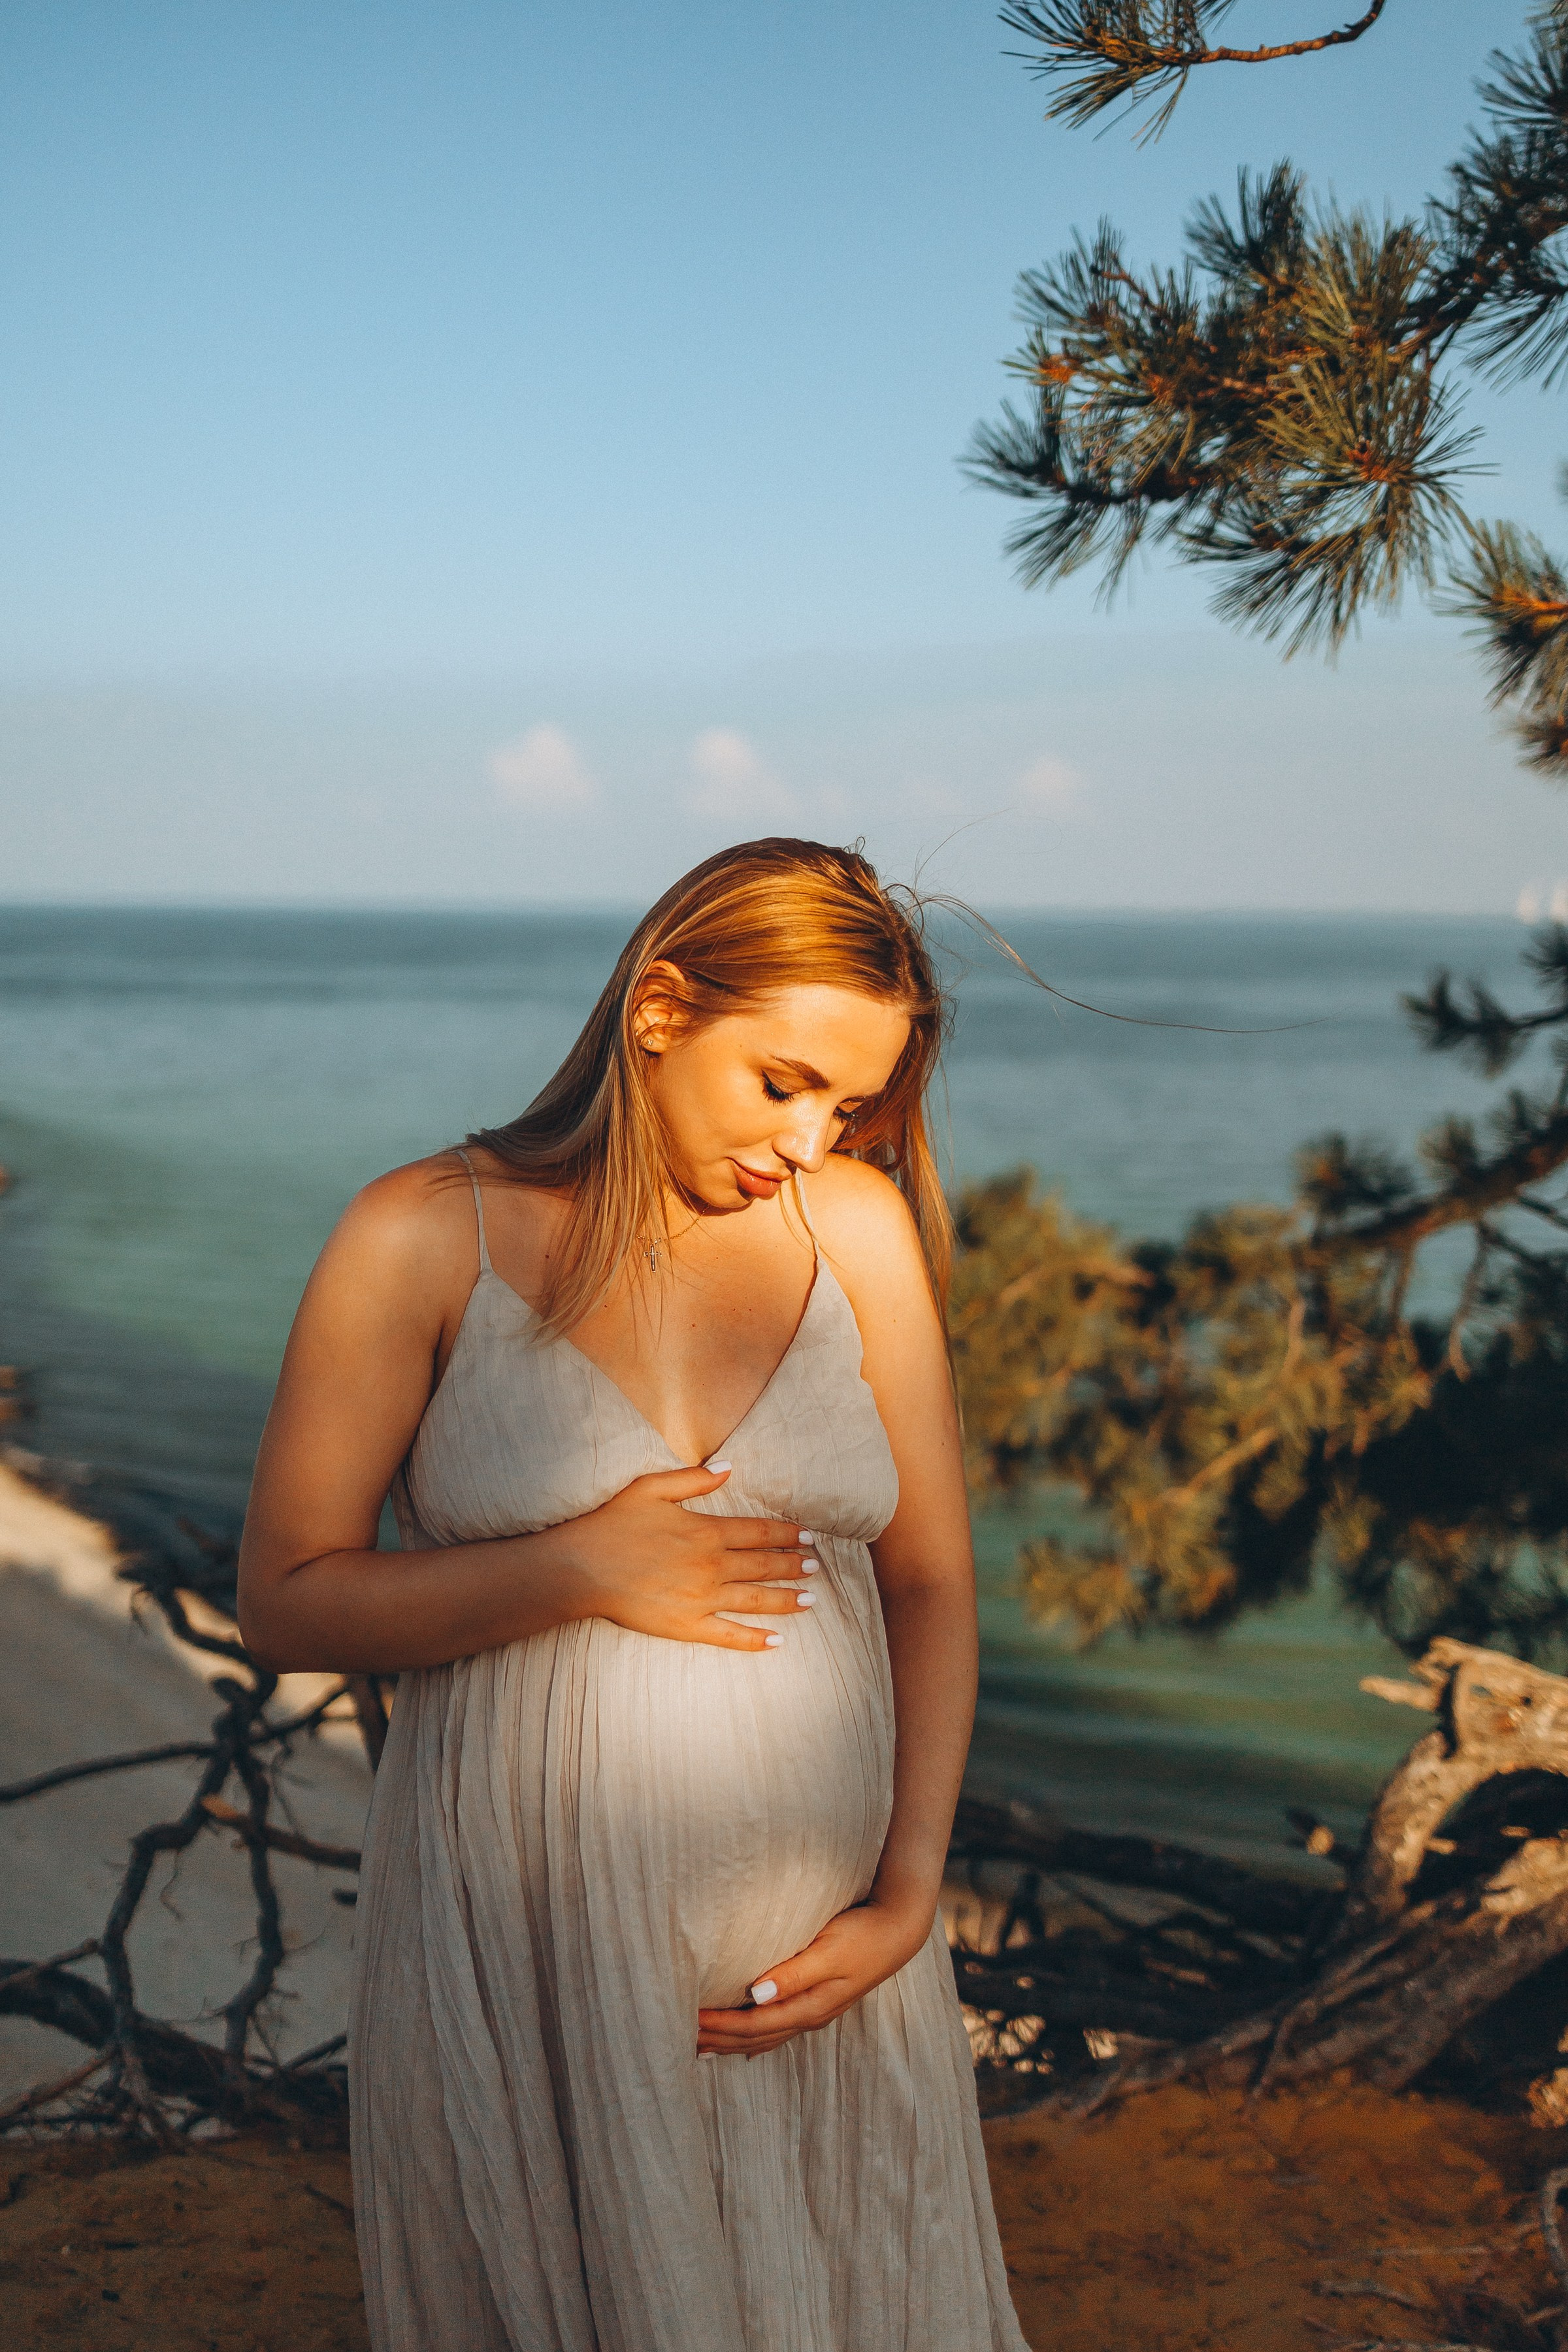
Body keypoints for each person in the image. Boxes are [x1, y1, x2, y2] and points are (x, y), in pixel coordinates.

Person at [237, 838, 1030, 2352]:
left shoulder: (852, 1230)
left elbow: (930, 1581)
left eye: (852, 1104)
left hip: (817, 1939)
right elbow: (284, 1599)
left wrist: (909, 1896)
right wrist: (567, 1569)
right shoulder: (420, 1235)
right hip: (524, 1934)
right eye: (785, 1082)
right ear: (662, 1007)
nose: (814, 1138)